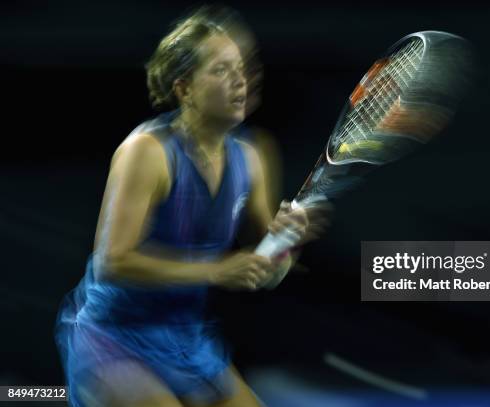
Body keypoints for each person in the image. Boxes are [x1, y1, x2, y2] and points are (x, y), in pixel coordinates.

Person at [55, 6, 327, 407]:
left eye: (242, 68)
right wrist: (218, 270)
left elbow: (266, 273)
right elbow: (113, 262)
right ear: (184, 89)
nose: (241, 80)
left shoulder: (253, 157)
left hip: (188, 340)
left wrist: (287, 240)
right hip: (113, 338)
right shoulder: (146, 152)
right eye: (220, 70)